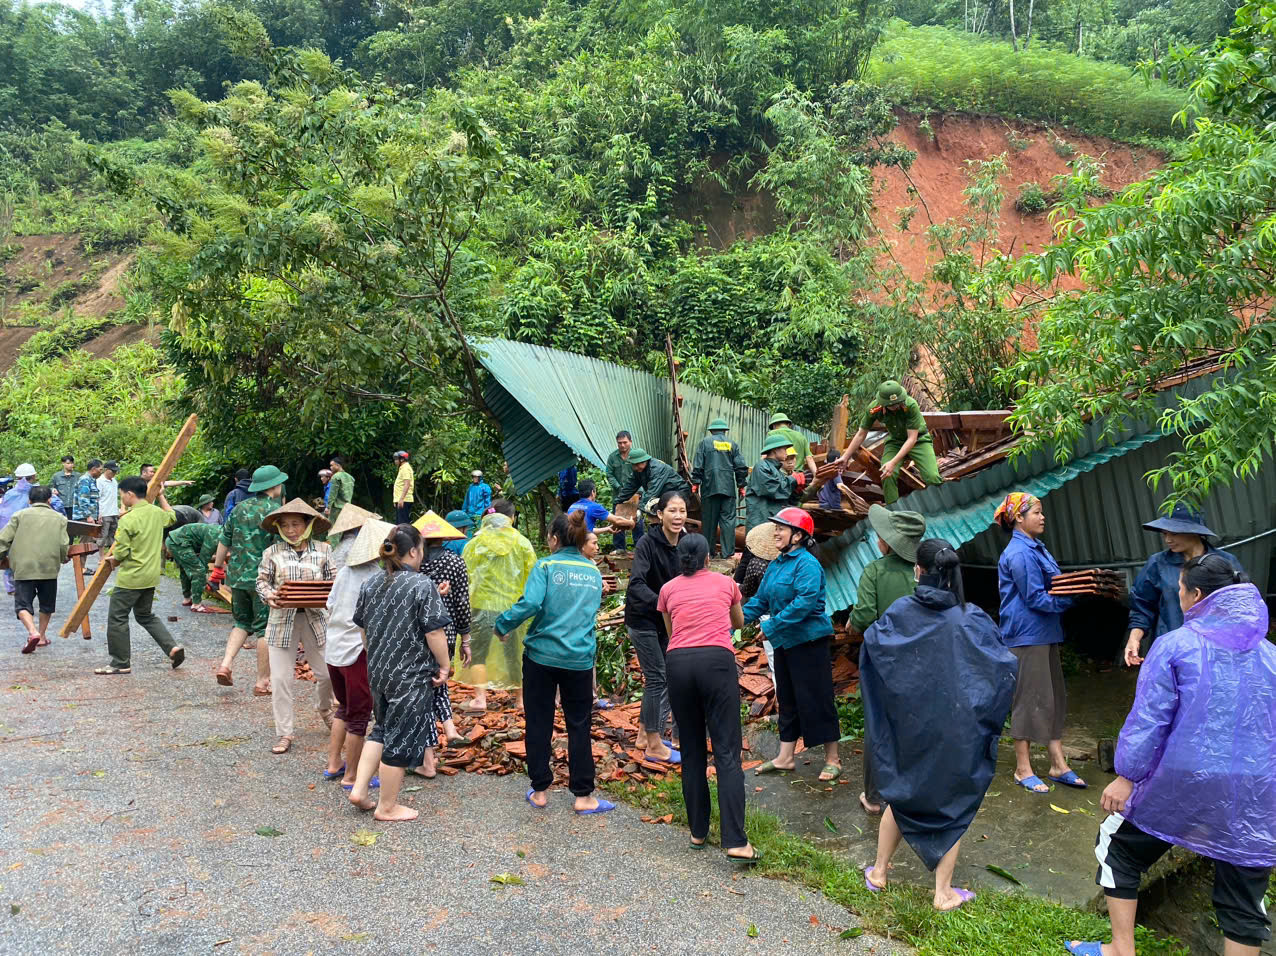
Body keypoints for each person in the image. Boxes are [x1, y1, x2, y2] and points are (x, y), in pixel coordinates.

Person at [1067, 554, 1276, 956]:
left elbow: (1150, 720)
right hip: (1252, 793)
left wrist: (1126, 776)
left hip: (1185, 782)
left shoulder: (1176, 646)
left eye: (1180, 589)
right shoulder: (1270, 656)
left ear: (1196, 596)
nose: (1178, 595)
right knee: (1244, 894)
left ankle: (1119, 948)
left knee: (1120, 847)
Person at [861, 539, 1016, 909]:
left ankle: (880, 873)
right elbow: (1004, 666)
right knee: (953, 805)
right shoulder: (972, 617)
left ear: (918, 570)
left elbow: (872, 644)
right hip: (958, 729)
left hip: (910, 726)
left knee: (902, 793)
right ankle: (942, 892)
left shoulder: (901, 612)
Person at [496, 509, 612, 814]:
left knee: (539, 721)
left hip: (541, 657)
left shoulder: (546, 565)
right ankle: (584, 795)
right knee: (579, 724)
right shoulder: (593, 572)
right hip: (579, 659)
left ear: (554, 538)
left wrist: (504, 624)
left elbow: (532, 603)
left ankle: (540, 791)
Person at [659, 533, 759, 861]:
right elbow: (738, 621)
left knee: (691, 749)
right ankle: (735, 841)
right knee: (727, 751)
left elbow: (673, 632)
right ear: (706, 559)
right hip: (716, 662)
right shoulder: (726, 583)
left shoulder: (668, 590)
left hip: (678, 664)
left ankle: (698, 832)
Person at [347, 524, 451, 822]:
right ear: (415, 551)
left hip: (378, 670)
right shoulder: (421, 584)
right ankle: (387, 806)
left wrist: (376, 657)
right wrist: (443, 665)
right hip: (410, 674)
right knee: (402, 737)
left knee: (381, 728)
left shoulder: (371, 583)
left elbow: (363, 629)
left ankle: (360, 790)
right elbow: (434, 632)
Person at [995, 492, 1083, 793]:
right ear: (1019, 517)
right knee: (1029, 699)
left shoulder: (1036, 548)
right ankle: (1022, 768)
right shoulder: (1019, 553)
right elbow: (1034, 597)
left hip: (1045, 633)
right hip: (1026, 635)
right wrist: (1070, 600)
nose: (1042, 517)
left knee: (1053, 698)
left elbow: (1054, 587)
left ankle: (1057, 763)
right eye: (1037, 512)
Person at [743, 508, 841, 781]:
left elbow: (805, 603)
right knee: (787, 698)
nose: (775, 532)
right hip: (786, 642)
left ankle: (833, 759)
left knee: (818, 699)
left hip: (809, 642)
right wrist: (735, 620)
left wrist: (770, 627)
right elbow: (761, 600)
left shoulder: (807, 565)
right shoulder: (777, 564)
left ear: (797, 535)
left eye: (781, 528)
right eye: (776, 528)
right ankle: (785, 757)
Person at [850, 504, 926, 813]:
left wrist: (853, 623)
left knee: (879, 725)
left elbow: (866, 614)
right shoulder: (923, 571)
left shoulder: (875, 570)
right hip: (921, 658)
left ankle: (874, 796)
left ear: (889, 542)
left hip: (885, 659)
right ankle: (911, 789)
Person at [257, 498, 336, 755]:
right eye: (286, 525)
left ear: (308, 525)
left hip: (317, 620)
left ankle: (324, 708)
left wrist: (328, 598)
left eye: (296, 524)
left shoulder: (324, 550)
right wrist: (269, 596)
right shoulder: (272, 552)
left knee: (327, 674)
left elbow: (334, 581)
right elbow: (262, 582)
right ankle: (284, 733)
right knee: (281, 680)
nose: (291, 530)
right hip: (282, 621)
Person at [1123, 503, 1243, 667]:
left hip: (1218, 653)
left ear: (1195, 532)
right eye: (1165, 533)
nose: (1168, 539)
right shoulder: (1158, 564)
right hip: (1173, 652)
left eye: (1174, 533)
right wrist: (1133, 639)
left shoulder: (1225, 562)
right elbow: (1142, 606)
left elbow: (1241, 608)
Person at [322, 518, 392, 791]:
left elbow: (330, 604)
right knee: (360, 715)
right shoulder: (377, 578)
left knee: (344, 707)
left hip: (334, 648)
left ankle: (333, 764)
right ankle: (352, 775)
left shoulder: (345, 572)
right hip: (356, 652)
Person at [95, 477, 184, 675]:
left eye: (121, 495)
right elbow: (171, 516)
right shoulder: (155, 513)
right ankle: (172, 647)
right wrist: (161, 496)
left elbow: (122, 551)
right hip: (151, 575)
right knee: (144, 615)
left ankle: (120, 662)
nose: (122, 499)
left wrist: (113, 559)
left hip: (132, 577)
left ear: (130, 494)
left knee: (117, 617)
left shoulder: (128, 519)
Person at [626, 490, 689, 763]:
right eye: (672, 511)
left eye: (682, 511)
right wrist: (664, 602)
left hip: (667, 621)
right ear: (660, 514)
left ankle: (643, 734)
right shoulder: (646, 544)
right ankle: (653, 744)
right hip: (643, 619)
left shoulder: (685, 543)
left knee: (665, 677)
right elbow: (636, 584)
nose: (678, 516)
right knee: (657, 678)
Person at [211, 465, 286, 693]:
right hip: (263, 579)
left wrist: (217, 568)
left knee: (241, 623)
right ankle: (262, 681)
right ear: (275, 485)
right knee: (264, 628)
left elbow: (225, 540)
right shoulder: (276, 512)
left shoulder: (239, 508)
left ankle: (226, 664)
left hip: (237, 577)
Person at [456, 500, 536, 712]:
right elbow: (533, 576)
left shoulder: (473, 544)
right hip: (513, 608)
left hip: (480, 606)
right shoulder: (522, 543)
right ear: (511, 518)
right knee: (515, 653)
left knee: (478, 652)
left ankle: (480, 700)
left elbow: (466, 578)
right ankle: (520, 700)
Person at [416, 510, 474, 772]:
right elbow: (462, 601)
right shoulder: (455, 562)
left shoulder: (412, 564)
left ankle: (429, 753)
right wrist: (466, 637)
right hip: (447, 632)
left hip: (416, 633)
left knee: (427, 685)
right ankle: (449, 728)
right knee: (439, 677)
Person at [836, 380, 942, 504]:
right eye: (893, 405)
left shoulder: (910, 405)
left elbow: (911, 439)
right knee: (887, 474)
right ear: (883, 404)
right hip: (896, 442)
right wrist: (845, 456)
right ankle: (894, 511)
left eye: (898, 402)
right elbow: (861, 434)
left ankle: (940, 504)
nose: (897, 406)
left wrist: (893, 462)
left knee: (932, 476)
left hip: (919, 441)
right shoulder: (874, 409)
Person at [0, 485, 69, 653]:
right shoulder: (59, 518)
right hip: (49, 568)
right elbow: (63, 544)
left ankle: (33, 632)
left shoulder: (19, 516)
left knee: (22, 604)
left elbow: (3, 539)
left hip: (24, 567)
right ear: (49, 500)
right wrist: (62, 558)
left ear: (29, 500)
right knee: (46, 604)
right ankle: (42, 637)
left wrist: (1, 557)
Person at [691, 418, 749, 559]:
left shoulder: (704, 443)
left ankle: (708, 553)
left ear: (711, 431)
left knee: (709, 521)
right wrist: (741, 485)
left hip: (710, 489)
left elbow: (698, 465)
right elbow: (741, 467)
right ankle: (727, 553)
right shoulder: (732, 444)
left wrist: (696, 482)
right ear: (724, 431)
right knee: (728, 522)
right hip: (728, 490)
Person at [745, 433, 803, 531]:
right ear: (775, 450)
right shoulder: (761, 467)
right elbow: (772, 490)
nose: (786, 452)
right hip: (760, 523)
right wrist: (793, 479)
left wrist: (797, 491)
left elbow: (786, 497)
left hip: (770, 522)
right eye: (784, 449)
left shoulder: (777, 471)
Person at [165, 518, 220, 612]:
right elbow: (203, 560)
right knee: (199, 570)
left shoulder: (218, 531)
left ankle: (187, 599)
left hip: (173, 540)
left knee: (185, 569)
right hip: (179, 542)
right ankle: (196, 605)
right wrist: (205, 580)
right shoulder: (215, 536)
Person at [613, 449, 691, 514]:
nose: (634, 467)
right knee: (652, 507)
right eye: (633, 465)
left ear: (643, 461)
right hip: (664, 494)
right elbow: (630, 487)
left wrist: (639, 508)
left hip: (679, 493)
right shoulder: (638, 470)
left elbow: (652, 492)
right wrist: (618, 501)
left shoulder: (657, 469)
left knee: (657, 508)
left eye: (636, 464)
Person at [605, 431, 643, 553]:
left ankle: (640, 548)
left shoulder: (637, 456)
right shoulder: (612, 457)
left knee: (637, 520)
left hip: (635, 495)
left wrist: (639, 491)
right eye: (619, 443)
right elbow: (609, 474)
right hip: (619, 496)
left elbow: (643, 473)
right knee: (617, 520)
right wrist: (618, 487)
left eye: (625, 442)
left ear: (630, 442)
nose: (622, 445)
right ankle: (620, 548)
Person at [567, 479, 634, 535]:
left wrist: (607, 529)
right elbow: (617, 520)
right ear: (593, 492)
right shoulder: (593, 506)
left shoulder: (572, 506)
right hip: (583, 543)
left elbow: (587, 531)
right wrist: (631, 522)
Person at [766, 413, 817, 477]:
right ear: (788, 424)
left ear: (774, 425)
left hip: (780, 476)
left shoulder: (772, 434)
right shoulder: (800, 436)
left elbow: (766, 456)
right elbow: (809, 458)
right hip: (798, 476)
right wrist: (816, 476)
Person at [95, 461, 120, 552]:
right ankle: (101, 557)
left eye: (115, 472)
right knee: (103, 535)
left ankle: (111, 554)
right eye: (112, 471)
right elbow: (97, 499)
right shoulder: (99, 481)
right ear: (106, 470)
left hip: (114, 512)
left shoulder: (114, 482)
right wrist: (99, 514)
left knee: (113, 535)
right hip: (104, 513)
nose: (114, 473)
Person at [326, 456, 354, 531]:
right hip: (347, 507)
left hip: (336, 508)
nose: (330, 467)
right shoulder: (350, 478)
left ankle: (333, 543)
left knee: (333, 530)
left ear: (338, 465)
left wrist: (328, 507)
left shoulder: (336, 477)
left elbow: (332, 494)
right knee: (342, 530)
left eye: (332, 465)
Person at [72, 459, 103, 523]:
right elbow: (83, 500)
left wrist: (98, 515)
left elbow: (94, 500)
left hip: (90, 517)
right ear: (94, 469)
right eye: (100, 470)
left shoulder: (92, 480)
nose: (101, 472)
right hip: (83, 518)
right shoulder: (84, 480)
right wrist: (88, 516)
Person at [392, 452, 414, 524]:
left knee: (402, 524)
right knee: (399, 523)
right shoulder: (402, 468)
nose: (395, 461)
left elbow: (407, 484)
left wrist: (401, 499)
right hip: (402, 500)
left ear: (402, 460)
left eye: (396, 459)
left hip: (404, 500)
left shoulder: (405, 468)